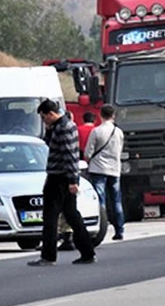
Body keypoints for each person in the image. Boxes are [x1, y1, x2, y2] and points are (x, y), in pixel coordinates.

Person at [28, 99, 96, 266]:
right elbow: (49, 143)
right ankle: (87, 252)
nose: (44, 121)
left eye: (44, 118)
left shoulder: (63, 128)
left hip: (60, 177)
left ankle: (49, 255)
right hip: (62, 176)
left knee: (50, 216)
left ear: (51, 114)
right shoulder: (62, 126)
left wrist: (73, 180)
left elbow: (70, 156)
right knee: (71, 215)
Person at [85, 104, 125, 240]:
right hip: (114, 168)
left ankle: (102, 228)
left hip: (98, 169)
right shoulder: (118, 132)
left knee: (100, 200)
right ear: (113, 116)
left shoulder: (96, 131)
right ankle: (120, 230)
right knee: (116, 200)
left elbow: (88, 152)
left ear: (100, 115)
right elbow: (119, 150)